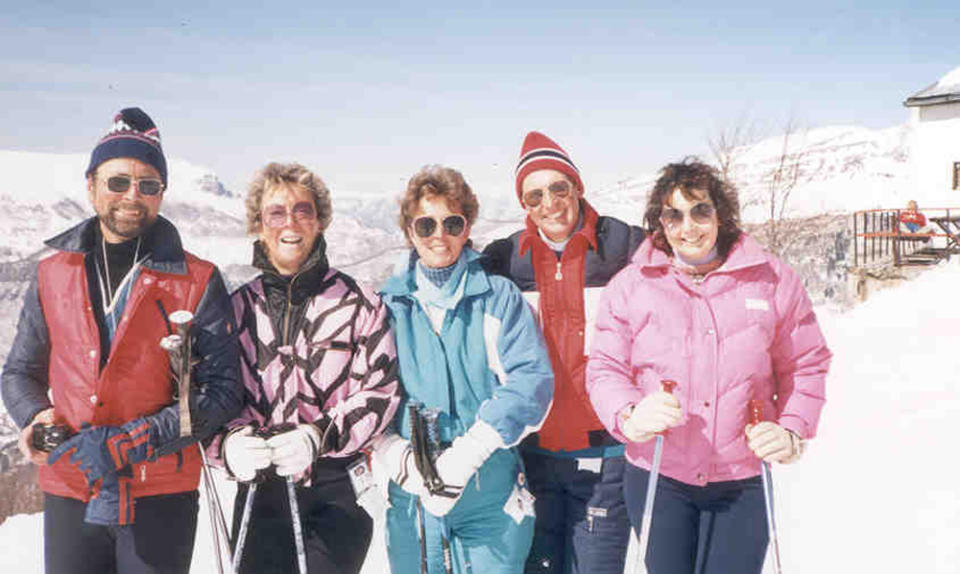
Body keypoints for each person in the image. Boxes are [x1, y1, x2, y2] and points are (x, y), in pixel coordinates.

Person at [1, 107, 243, 574]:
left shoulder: (198, 279)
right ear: (91, 186)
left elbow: (222, 392)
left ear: (161, 195)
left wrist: (131, 441)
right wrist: (34, 415)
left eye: (148, 185)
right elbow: (20, 371)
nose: (132, 196)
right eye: (118, 182)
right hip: (72, 483)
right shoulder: (53, 274)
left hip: (160, 492)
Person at [586, 158, 832, 574]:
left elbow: (806, 364)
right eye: (674, 214)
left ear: (721, 213)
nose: (689, 226)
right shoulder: (631, 286)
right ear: (659, 222)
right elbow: (605, 368)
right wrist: (629, 414)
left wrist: (791, 429)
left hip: (741, 475)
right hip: (659, 473)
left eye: (701, 210)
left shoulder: (771, 280)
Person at [213, 162, 401, 574]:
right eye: (276, 213)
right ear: (259, 225)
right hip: (261, 490)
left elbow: (380, 392)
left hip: (336, 490)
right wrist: (228, 446)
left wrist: (320, 436)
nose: (290, 223)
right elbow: (213, 395)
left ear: (319, 222)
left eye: (303, 210)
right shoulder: (237, 310)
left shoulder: (358, 302)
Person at [372, 164, 554, 574]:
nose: (440, 235)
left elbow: (531, 382)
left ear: (467, 227)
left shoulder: (497, 296)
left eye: (452, 223)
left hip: (486, 486)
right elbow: (366, 386)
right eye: (426, 224)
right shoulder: (388, 305)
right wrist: (393, 453)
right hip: (414, 489)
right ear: (409, 231)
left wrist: (471, 452)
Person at [482, 131, 644, 574]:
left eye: (558, 188)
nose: (549, 203)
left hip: (605, 458)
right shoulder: (506, 260)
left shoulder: (626, 247)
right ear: (524, 205)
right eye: (534, 196)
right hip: (533, 457)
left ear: (578, 187)